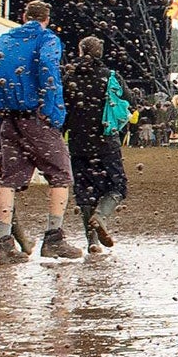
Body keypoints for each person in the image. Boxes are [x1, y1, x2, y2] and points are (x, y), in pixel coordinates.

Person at [0, 0, 85, 263]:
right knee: (61, 175)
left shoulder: (3, 38)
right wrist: (53, 109)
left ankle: (4, 244)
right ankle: (53, 238)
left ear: (23, 16)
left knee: (7, 180)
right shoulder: (46, 39)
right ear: (46, 18)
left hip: (7, 119)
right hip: (35, 117)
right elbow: (47, 66)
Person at [61, 35, 128, 251]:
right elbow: (129, 101)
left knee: (85, 191)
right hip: (106, 141)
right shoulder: (110, 76)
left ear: (80, 51)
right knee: (117, 186)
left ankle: (92, 243)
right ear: (101, 53)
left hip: (78, 143)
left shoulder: (68, 77)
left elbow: (61, 109)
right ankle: (101, 216)